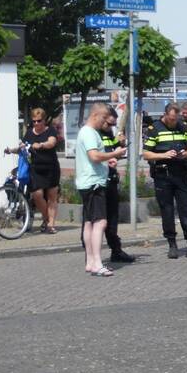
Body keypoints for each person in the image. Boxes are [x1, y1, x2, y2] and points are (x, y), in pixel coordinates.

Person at [143, 103, 187, 259]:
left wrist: (185, 154)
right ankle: (172, 244)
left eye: (176, 119)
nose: (174, 122)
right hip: (162, 174)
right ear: (165, 114)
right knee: (167, 210)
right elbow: (146, 154)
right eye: (171, 119)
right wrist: (163, 155)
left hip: (180, 173)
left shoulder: (182, 126)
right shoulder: (154, 129)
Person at [75, 103, 126, 277]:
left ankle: (90, 262)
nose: (105, 122)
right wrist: (114, 154)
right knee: (100, 222)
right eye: (104, 118)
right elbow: (94, 156)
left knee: (89, 223)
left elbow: (94, 158)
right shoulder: (90, 133)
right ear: (95, 115)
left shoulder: (86, 132)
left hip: (88, 182)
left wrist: (107, 162)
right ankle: (97, 263)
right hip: (94, 183)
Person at [8, 108, 61, 234]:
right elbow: (23, 147)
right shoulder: (29, 133)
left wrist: (41, 145)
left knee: (52, 196)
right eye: (34, 121)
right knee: (37, 195)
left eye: (39, 121)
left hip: (51, 168)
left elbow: (51, 143)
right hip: (35, 169)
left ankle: (51, 224)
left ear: (44, 120)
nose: (36, 123)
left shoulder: (50, 131)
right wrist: (11, 150)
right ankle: (46, 218)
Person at [100, 107, 135, 264]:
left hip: (111, 179)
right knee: (96, 220)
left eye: (113, 125)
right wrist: (110, 158)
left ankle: (116, 250)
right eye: (109, 124)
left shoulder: (108, 134)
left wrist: (120, 144)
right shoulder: (92, 134)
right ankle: (92, 254)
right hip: (98, 182)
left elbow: (114, 151)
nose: (110, 127)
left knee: (112, 217)